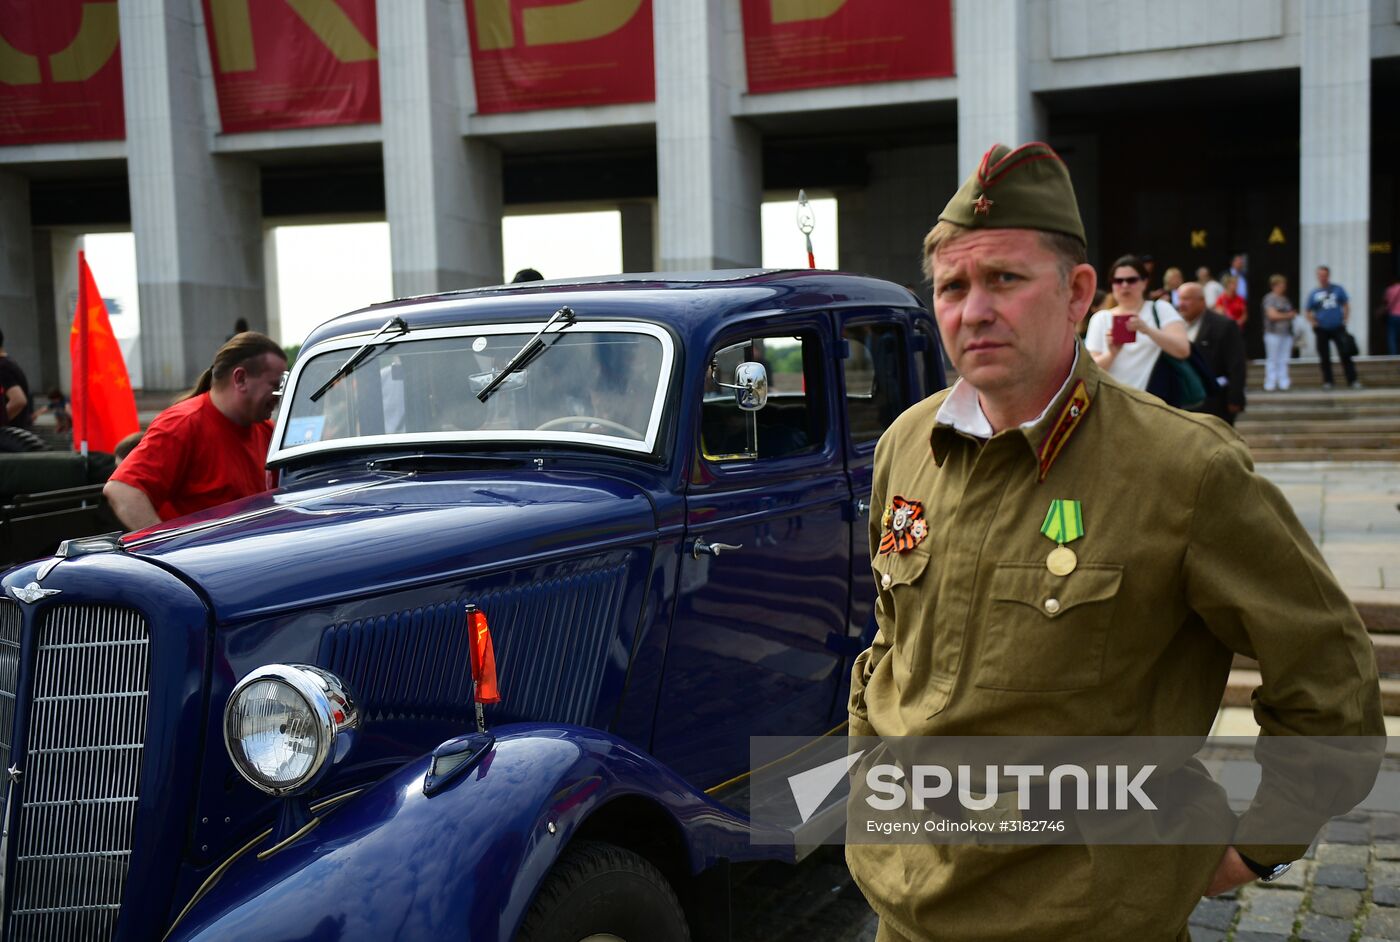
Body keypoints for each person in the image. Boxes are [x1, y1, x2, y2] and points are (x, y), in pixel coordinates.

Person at [846, 140, 1383, 942]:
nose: (974, 309)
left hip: (1085, 919)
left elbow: (1329, 677)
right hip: (904, 909)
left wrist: (1257, 845)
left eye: (1005, 278)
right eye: (952, 286)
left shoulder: (1183, 468)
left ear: (1078, 293)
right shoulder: (907, 445)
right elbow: (891, 644)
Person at [104, 332, 287, 530]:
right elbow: (122, 491)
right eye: (275, 385)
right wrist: (168, 550)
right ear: (240, 378)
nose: (279, 396)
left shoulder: (265, 429)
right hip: (205, 558)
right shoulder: (182, 424)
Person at [1084, 254, 1190, 392]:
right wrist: (1111, 354)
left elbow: (1183, 350)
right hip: (1113, 403)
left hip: (1154, 402)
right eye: (1118, 281)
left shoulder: (1160, 309)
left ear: (1145, 282)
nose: (1124, 285)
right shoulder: (1101, 318)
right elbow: (1091, 371)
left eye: (1131, 280)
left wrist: (1147, 330)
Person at [1177, 281, 1246, 424]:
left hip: (1215, 403)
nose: (1181, 304)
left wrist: (1235, 398)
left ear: (1202, 301)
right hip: (1183, 403)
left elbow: (1237, 365)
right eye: (1180, 299)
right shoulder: (1173, 326)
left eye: (1186, 299)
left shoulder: (1224, 326)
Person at [1305, 265, 1359, 389]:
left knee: (1345, 354)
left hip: (1337, 327)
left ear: (1328, 276)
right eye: (1320, 275)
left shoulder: (1337, 289)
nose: (1323, 278)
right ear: (1317, 276)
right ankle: (1328, 381)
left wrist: (1345, 319)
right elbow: (1307, 310)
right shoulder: (1314, 293)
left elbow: (1345, 304)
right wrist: (1314, 323)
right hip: (1322, 328)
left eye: (1325, 275)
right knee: (1324, 356)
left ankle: (1352, 380)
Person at [1261, 274, 1298, 391]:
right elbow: (1272, 315)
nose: (1283, 287)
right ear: (1274, 286)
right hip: (1273, 332)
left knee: (1284, 358)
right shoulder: (1270, 298)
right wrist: (1288, 315)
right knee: (1273, 358)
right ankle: (1270, 382)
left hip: (1286, 333)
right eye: (1281, 285)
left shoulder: (1285, 299)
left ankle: (1284, 381)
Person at [0, 329, 34, 430]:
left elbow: (18, 400)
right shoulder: (9, 363)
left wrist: (1, 422)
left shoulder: (2, 367)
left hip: (10, 438)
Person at [1383, 274, 1400, 356]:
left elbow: (1386, 303)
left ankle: (1393, 355)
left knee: (1392, 336)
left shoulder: (1389, 290)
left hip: (1392, 315)